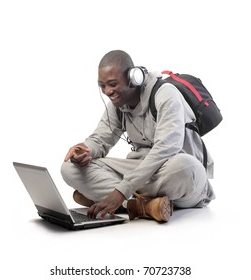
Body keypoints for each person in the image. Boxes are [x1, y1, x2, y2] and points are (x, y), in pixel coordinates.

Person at [61, 50, 215, 223]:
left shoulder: (165, 95)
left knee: (185, 167)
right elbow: (100, 139)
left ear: (134, 78)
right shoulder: (118, 103)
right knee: (70, 168)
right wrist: (86, 150)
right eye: (102, 86)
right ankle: (145, 206)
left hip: (176, 173)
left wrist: (121, 190)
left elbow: (166, 149)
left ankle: (115, 199)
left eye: (112, 84)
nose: (107, 91)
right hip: (142, 171)